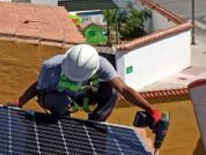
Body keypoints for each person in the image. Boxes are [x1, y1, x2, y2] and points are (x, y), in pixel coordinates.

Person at [13, 44, 163, 124]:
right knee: (59, 100)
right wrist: (20, 102)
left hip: (79, 95)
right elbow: (37, 87)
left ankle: (95, 123)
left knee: (112, 91)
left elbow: (123, 88)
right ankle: (64, 124)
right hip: (56, 97)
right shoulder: (51, 67)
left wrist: (150, 109)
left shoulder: (100, 64)